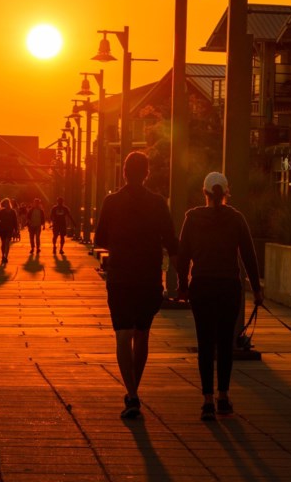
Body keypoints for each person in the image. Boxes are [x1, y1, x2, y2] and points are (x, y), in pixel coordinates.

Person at [94, 151, 178, 420]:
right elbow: (171, 241)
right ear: (147, 174)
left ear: (124, 172)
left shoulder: (111, 201)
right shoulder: (157, 203)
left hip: (120, 278)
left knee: (122, 335)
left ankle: (131, 393)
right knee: (142, 334)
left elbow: (100, 240)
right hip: (148, 278)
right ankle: (134, 390)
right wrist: (182, 276)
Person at [177, 172, 264, 421]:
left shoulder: (192, 218)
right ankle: (223, 398)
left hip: (202, 286)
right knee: (225, 343)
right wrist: (256, 290)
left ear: (204, 193)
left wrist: (182, 286)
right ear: (226, 193)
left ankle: (206, 402)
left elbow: (183, 256)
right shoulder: (236, 219)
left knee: (205, 343)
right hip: (228, 287)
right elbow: (249, 256)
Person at [0, 198, 19, 267]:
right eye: (5, 203)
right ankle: (3, 255)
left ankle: (6, 256)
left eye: (7, 203)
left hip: (10, 229)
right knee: (3, 243)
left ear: (9, 204)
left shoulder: (13, 212)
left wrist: (16, 229)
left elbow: (15, 221)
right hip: (2, 229)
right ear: (4, 204)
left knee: (7, 242)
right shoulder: (1, 211)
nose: (7, 205)